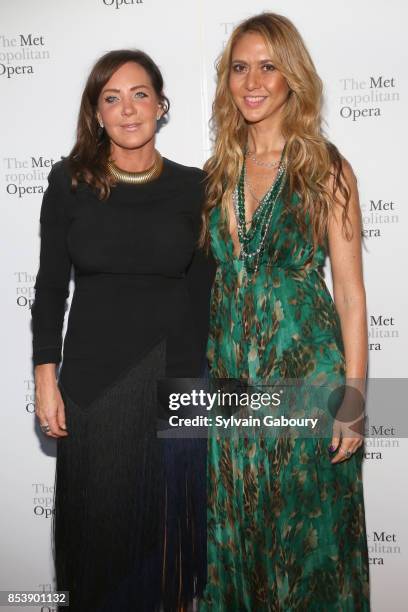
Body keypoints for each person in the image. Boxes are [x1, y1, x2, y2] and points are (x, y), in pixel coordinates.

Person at [198, 13, 370, 611]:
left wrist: (354, 399)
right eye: (239, 67)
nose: (252, 80)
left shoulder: (326, 168)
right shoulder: (216, 175)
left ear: (291, 76)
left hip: (308, 385)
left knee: (307, 548)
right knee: (239, 539)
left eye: (268, 65)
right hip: (232, 392)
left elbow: (349, 295)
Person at [32, 49, 214, 612]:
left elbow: (207, 293)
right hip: (93, 390)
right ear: (97, 114)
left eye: (140, 95)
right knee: (100, 550)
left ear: (161, 106)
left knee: (171, 551)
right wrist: (45, 378)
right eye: (112, 98)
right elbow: (48, 290)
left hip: (177, 384)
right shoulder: (68, 183)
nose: (128, 109)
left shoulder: (195, 186)